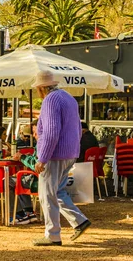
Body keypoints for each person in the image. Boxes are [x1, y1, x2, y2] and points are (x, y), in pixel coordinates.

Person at [31, 70, 90, 246]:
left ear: (42, 88)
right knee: (57, 192)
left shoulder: (50, 100)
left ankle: (52, 235)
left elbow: (50, 133)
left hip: (54, 155)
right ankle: (79, 221)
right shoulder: (68, 98)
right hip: (70, 153)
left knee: (46, 194)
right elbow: (78, 129)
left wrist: (42, 158)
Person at [9, 122, 40, 224]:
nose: (34, 136)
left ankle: (18, 215)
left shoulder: (42, 145)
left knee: (7, 181)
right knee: (22, 179)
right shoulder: (48, 143)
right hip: (41, 178)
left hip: (37, 180)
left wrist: (22, 157)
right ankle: (29, 212)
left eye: (36, 132)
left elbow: (35, 165)